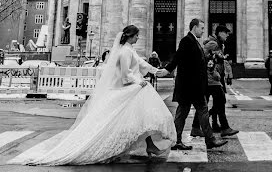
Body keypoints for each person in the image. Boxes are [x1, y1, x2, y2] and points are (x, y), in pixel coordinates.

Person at [12, 25, 175, 165]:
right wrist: (138, 82)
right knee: (129, 119)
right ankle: (125, 146)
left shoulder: (129, 50)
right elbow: (126, 75)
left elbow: (140, 63)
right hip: (128, 89)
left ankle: (149, 144)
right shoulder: (125, 52)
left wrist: (158, 71)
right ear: (131, 36)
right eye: (137, 35)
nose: (139, 38)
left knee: (141, 117)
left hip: (134, 87)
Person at [164, 18, 227, 151]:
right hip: (191, 86)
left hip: (191, 86)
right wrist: (167, 69)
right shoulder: (187, 41)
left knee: (185, 114)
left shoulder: (194, 41)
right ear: (194, 27)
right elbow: (178, 57)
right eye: (202, 28)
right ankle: (208, 140)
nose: (203, 31)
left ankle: (178, 140)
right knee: (197, 112)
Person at [191, 25, 238, 138]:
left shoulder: (218, 44)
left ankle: (196, 127)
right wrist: (214, 65)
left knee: (205, 104)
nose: (227, 35)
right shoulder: (214, 44)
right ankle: (224, 127)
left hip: (211, 77)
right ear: (220, 33)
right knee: (220, 101)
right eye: (226, 33)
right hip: (211, 78)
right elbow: (204, 56)